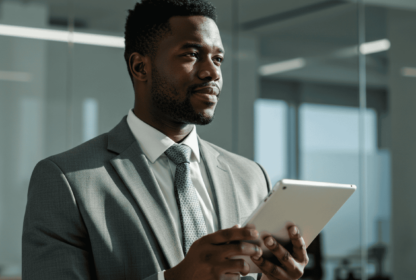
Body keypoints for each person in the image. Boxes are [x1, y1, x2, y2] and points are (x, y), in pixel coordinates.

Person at [22, 0, 309, 279]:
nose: (213, 72)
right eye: (192, 54)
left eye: (217, 58)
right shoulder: (67, 180)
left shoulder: (250, 176)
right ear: (140, 67)